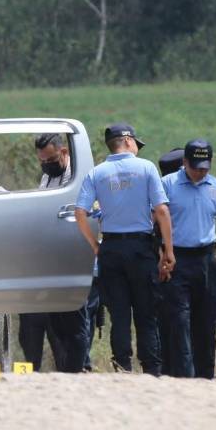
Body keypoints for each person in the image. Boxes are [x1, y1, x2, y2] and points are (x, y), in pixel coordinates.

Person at [74, 123, 174, 375]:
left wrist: (96, 245)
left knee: (119, 314)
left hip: (111, 249)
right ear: (128, 141)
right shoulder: (146, 168)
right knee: (146, 312)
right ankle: (151, 369)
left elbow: (79, 213)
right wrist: (168, 251)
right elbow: (161, 210)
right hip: (141, 248)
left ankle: (122, 367)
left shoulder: (96, 173)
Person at [161, 139, 216, 378]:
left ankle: (205, 376)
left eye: (205, 166)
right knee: (180, 320)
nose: (201, 171)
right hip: (177, 259)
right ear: (184, 162)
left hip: (207, 260)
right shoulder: (167, 185)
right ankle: (185, 376)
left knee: (207, 320)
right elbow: (155, 221)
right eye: (196, 166)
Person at [18, 133, 90, 373]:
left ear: (65, 152)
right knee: (33, 329)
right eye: (42, 161)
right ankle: (31, 374)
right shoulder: (47, 178)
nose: (46, 164)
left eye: (50, 159)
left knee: (70, 330)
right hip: (44, 264)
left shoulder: (78, 179)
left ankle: (74, 373)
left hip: (70, 262)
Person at [156, 147, 184, 376]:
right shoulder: (170, 198)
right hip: (172, 262)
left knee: (168, 320)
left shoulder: (159, 196)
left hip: (164, 263)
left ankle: (169, 368)